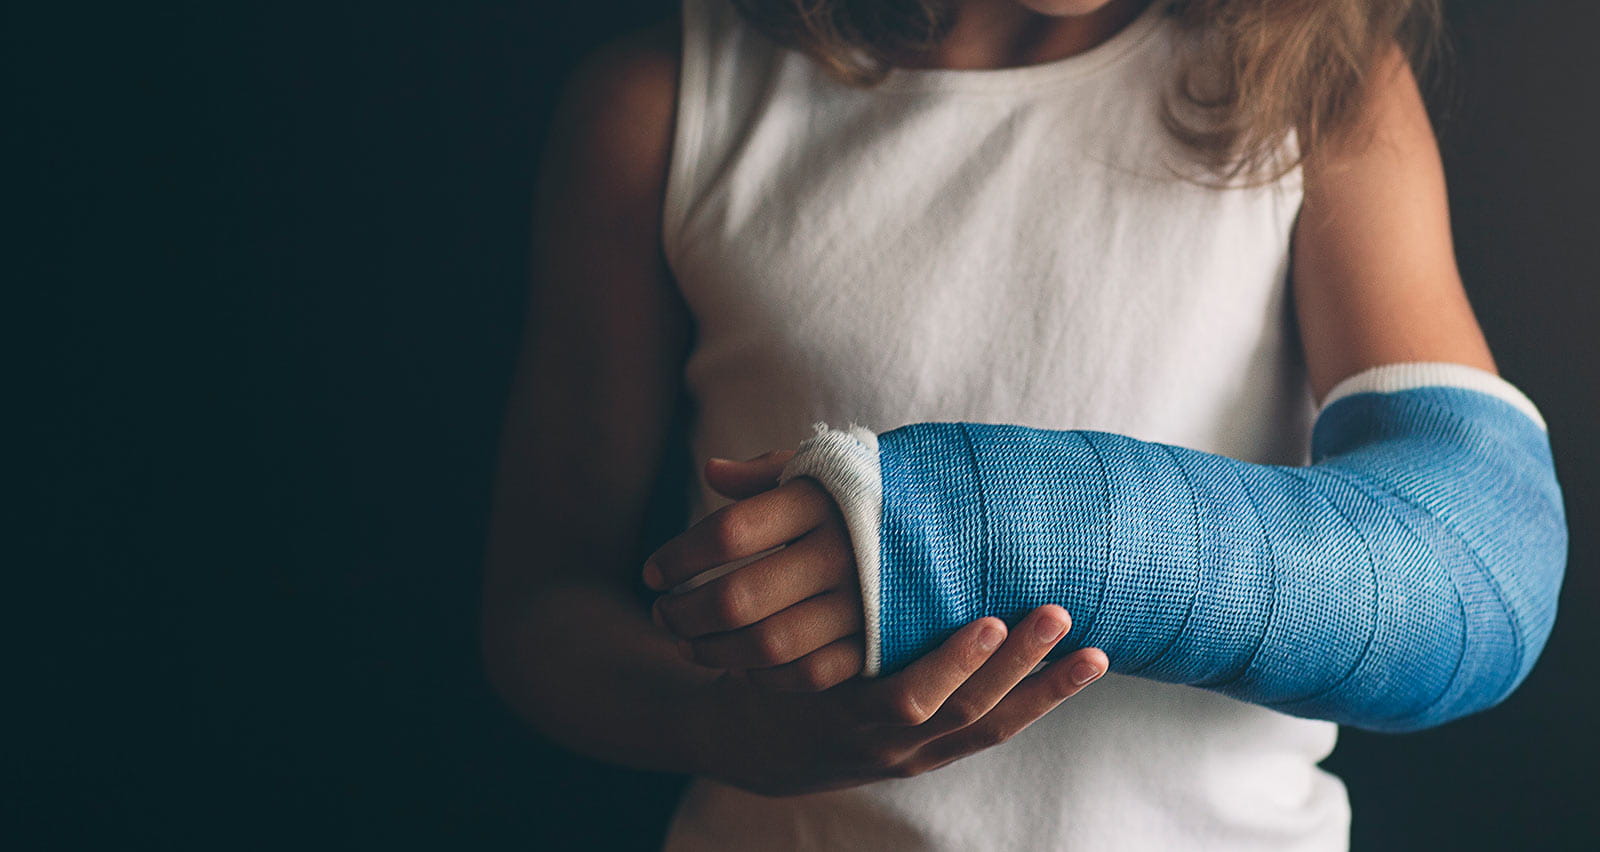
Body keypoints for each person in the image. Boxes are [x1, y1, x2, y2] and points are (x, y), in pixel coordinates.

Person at [483, 0, 1563, 848]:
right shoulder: (665, 100)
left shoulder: (1314, 86)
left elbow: (1471, 567)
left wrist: (991, 523)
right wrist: (721, 729)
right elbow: (541, 608)